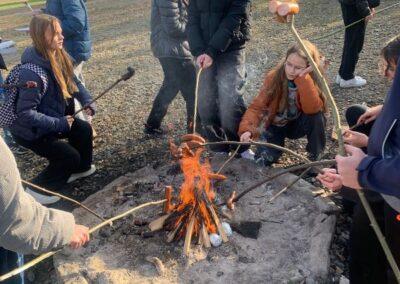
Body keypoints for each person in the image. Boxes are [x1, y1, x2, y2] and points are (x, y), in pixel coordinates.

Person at [317, 36, 400, 283]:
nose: (387, 76)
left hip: (392, 194)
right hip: (383, 188)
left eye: (393, 69)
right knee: (363, 243)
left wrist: (363, 171)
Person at [9, 15, 96, 204]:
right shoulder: (32, 72)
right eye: (55, 34)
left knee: (83, 129)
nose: (61, 37)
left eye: (61, 32)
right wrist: (59, 123)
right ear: (41, 36)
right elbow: (25, 114)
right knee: (68, 156)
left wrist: (87, 100)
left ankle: (81, 168)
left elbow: (75, 82)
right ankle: (34, 191)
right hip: (30, 131)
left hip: (52, 119)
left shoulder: (60, 56)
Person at [0, 137, 90, 284]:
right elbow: (13, 221)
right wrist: (65, 230)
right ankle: (40, 188)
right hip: (34, 131)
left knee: (82, 130)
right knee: (70, 155)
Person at [238, 41, 327, 166]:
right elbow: (258, 106)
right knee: (265, 159)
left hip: (297, 124)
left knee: (318, 117)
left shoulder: (312, 78)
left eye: (298, 68)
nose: (291, 71)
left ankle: (314, 160)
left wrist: (303, 77)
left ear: (308, 67)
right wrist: (248, 130)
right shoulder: (274, 77)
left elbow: (313, 109)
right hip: (275, 126)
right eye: (289, 64)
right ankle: (273, 150)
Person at [186, 0, 251, 154]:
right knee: (205, 102)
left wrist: (212, 51)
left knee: (229, 100)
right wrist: (198, 50)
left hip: (231, 47)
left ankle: (241, 148)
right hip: (203, 49)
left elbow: (234, 17)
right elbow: (192, 19)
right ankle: (218, 147)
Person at [144, 0, 197, 135]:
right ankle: (195, 131)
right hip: (171, 48)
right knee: (193, 88)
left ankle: (152, 125)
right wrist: (196, 28)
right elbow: (174, 27)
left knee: (171, 85)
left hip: (173, 47)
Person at [45, 0, 91, 84]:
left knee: (71, 86)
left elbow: (76, 24)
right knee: (74, 83)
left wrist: (47, 30)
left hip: (71, 50)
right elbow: (57, 12)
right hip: (65, 49)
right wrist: (43, 13)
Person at [336, 0, 379, 88]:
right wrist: (366, 11)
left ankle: (342, 74)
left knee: (350, 41)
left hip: (350, 5)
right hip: (355, 8)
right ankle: (347, 78)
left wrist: (370, 6)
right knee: (354, 43)